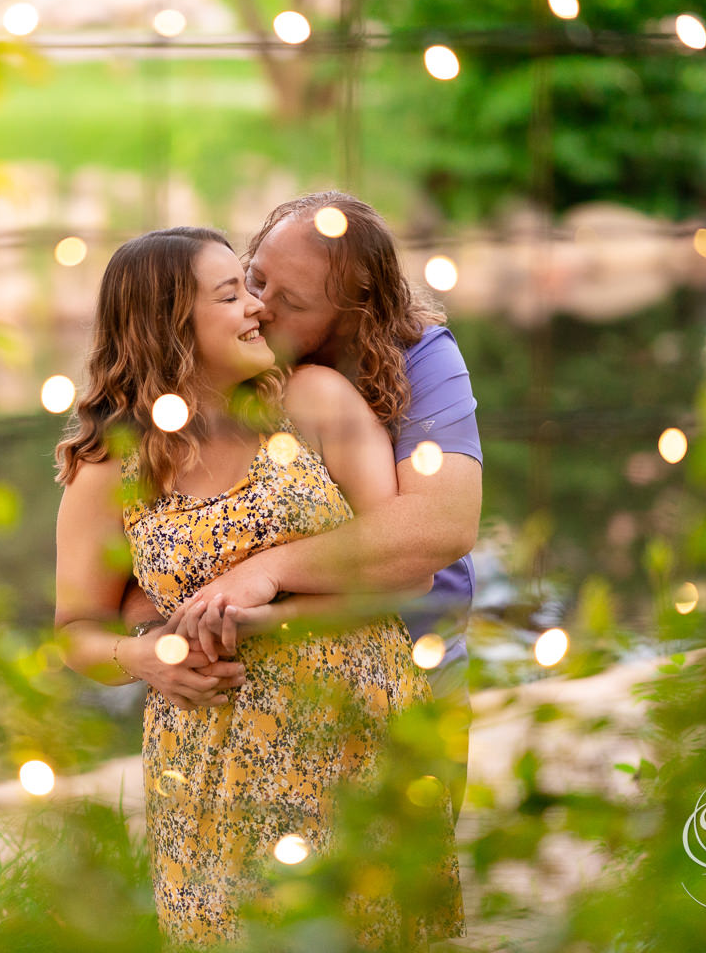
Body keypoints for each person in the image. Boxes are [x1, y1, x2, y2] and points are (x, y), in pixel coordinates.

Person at [52, 226, 463, 949]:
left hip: (357, 727)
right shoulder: (110, 467)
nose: (257, 309)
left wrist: (268, 611)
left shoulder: (313, 400)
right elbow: (76, 631)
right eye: (232, 293)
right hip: (212, 760)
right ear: (171, 323)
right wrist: (143, 660)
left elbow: (404, 564)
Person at [172, 191, 483, 825]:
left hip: (405, 667)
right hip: (238, 687)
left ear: (352, 318)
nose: (259, 305)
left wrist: (267, 573)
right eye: (256, 277)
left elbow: (441, 528)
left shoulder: (421, 358)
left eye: (293, 303)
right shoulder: (213, 362)